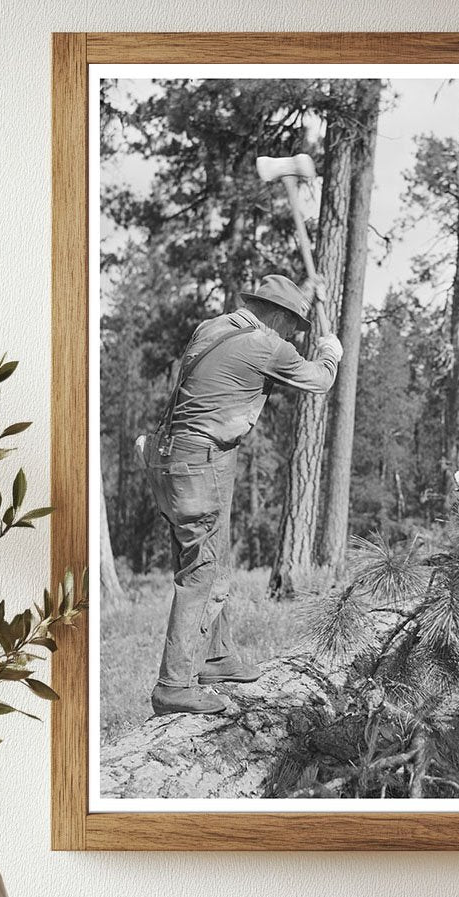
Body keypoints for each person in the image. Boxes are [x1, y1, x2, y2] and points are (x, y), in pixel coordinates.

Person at [139, 274, 343, 715]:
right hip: (202, 460)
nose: (294, 336)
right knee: (201, 571)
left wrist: (308, 289)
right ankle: (173, 685)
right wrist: (329, 350)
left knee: (210, 558)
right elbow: (319, 380)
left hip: (172, 456)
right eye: (295, 326)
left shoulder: (213, 327)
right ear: (279, 317)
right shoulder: (268, 344)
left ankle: (216, 655)